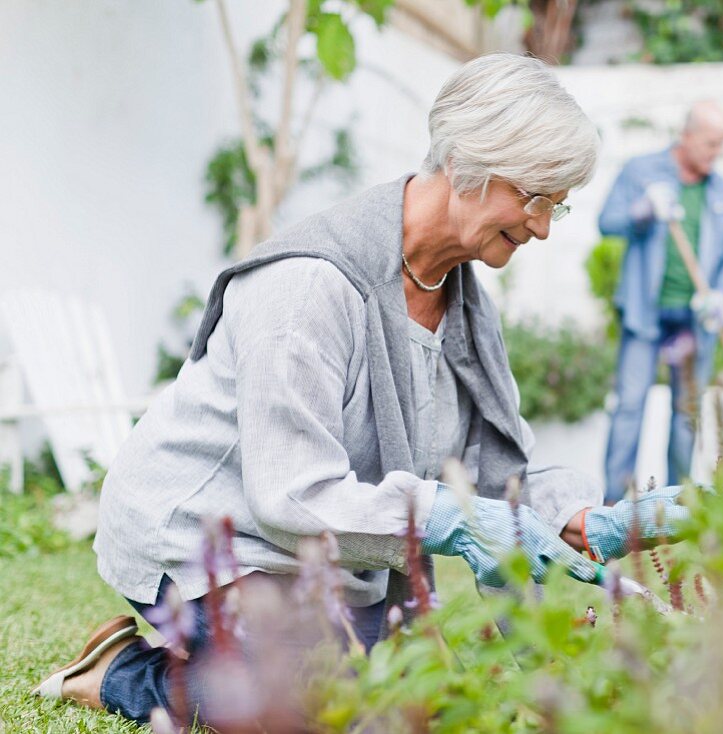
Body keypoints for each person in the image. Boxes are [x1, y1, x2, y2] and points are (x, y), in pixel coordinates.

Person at [33, 54, 686, 725]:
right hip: (205, 533)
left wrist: (578, 516)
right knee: (322, 702)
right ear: (472, 165)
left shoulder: (463, 304)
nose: (544, 227)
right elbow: (290, 493)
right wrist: (453, 517)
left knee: (417, 691)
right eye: (536, 198)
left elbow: (495, 475)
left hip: (320, 554)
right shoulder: (309, 285)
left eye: (560, 205)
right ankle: (119, 671)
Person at [599, 101, 723, 502]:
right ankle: (611, 506)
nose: (717, 153)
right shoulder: (641, 172)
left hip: (695, 320)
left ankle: (673, 506)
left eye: (722, 145)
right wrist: (642, 211)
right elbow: (606, 222)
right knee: (630, 408)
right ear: (687, 136)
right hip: (644, 316)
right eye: (711, 144)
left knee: (687, 414)